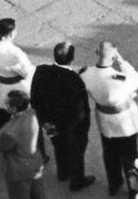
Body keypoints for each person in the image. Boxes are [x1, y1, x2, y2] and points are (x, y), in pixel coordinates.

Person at [81, 41, 138, 195]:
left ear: (97, 53)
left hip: (104, 120)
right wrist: (121, 61)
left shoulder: (85, 74)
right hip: (124, 122)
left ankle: (114, 184)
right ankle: (133, 189)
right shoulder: (121, 78)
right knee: (130, 157)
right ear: (114, 56)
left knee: (110, 154)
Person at [30, 41, 95, 191]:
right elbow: (80, 111)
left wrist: (44, 121)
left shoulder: (41, 71)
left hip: (49, 123)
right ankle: (77, 181)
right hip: (70, 127)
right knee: (77, 153)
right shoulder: (75, 81)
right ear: (72, 58)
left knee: (59, 147)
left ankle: (63, 173)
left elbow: (34, 98)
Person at [0, 89, 48, 199]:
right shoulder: (32, 113)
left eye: (6, 103)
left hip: (18, 170)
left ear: (13, 108)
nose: (5, 105)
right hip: (35, 162)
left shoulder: (9, 132)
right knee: (38, 194)